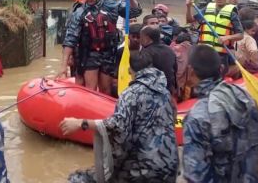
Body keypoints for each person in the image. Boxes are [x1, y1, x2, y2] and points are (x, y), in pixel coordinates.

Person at [60, 52, 179, 183]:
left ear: (129, 70)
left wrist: (80, 123)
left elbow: (117, 126)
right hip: (170, 166)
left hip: (144, 169)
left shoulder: (130, 94)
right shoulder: (166, 95)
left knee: (79, 178)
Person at [183, 45, 258, 182]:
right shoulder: (245, 98)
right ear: (221, 69)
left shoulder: (197, 115)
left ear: (191, 71)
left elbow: (195, 174)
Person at [59, 0, 142, 95]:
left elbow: (135, 12)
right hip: (89, 54)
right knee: (90, 89)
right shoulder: (79, 13)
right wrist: (63, 65)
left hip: (108, 53)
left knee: (105, 89)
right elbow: (70, 39)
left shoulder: (112, 5)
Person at [186, 0, 244, 74]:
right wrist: (188, 7)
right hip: (203, 52)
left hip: (220, 55)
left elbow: (240, 35)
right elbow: (190, 20)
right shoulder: (207, 9)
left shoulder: (232, 13)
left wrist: (227, 38)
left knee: (217, 80)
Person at [139, 26, 177, 96]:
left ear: (146, 38)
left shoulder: (146, 52)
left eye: (141, 37)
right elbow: (175, 70)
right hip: (169, 91)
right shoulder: (169, 50)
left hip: (153, 92)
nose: (140, 40)